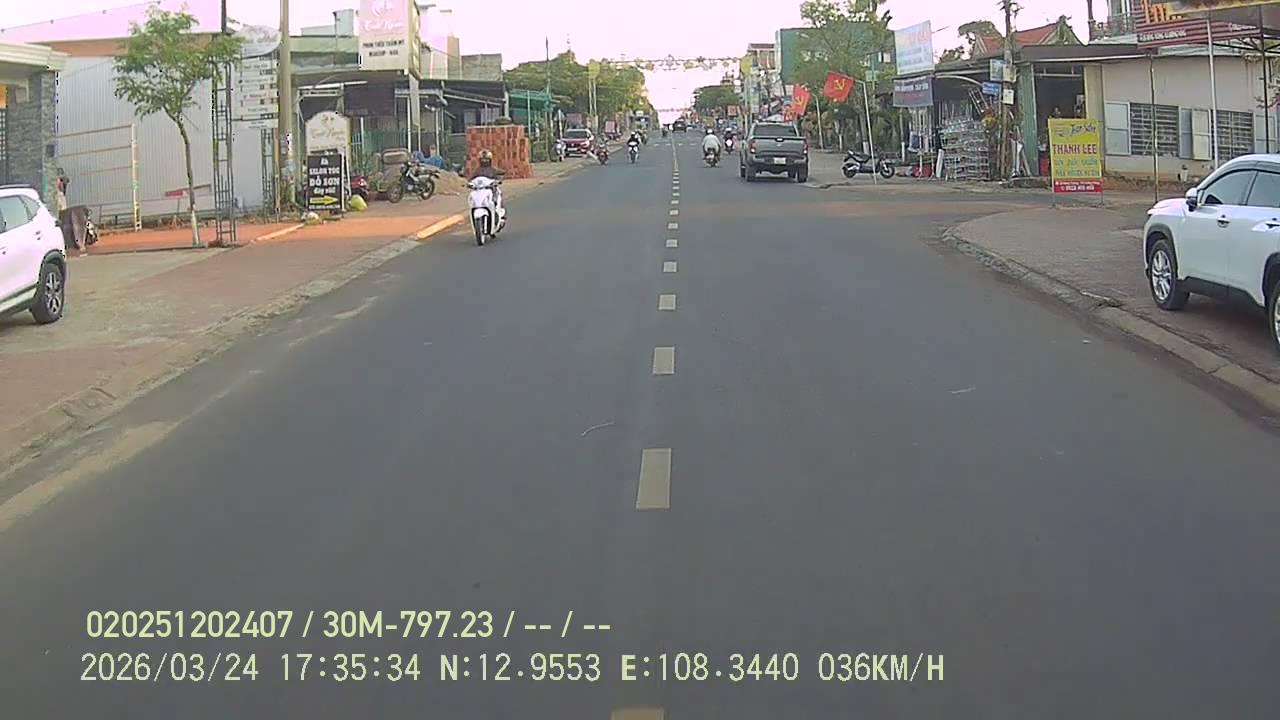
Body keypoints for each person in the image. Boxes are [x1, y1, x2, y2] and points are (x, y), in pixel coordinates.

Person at [470, 149, 506, 221]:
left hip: (491, 189)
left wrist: (498, 181)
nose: (484, 161)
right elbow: (471, 178)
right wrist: (469, 183)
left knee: (499, 194)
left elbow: (499, 175)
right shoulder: (477, 170)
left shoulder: (493, 170)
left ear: (490, 160)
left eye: (486, 159)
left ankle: (501, 213)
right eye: (483, 159)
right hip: (480, 190)